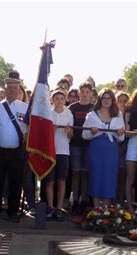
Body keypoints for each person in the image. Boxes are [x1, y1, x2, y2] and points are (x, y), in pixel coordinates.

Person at [0, 75, 28, 223]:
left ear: (19, 89)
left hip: (17, 151)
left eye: (15, 88)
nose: (12, 90)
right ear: (5, 89)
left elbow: (29, 130)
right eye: (9, 88)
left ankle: (12, 211)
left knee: (16, 182)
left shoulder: (25, 107)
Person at [82, 89, 125, 208]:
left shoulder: (118, 115)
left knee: (109, 177)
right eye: (104, 98)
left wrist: (120, 133)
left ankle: (106, 209)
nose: (106, 101)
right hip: (96, 149)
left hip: (111, 150)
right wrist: (92, 132)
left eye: (109, 98)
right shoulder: (92, 115)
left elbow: (121, 138)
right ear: (100, 100)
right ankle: (96, 208)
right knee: (96, 175)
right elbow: (84, 135)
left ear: (112, 100)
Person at [45, 90, 73, 220]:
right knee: (50, 180)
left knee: (61, 181)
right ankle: (50, 207)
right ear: (52, 100)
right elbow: (43, 133)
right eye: (57, 98)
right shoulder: (48, 113)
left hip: (64, 151)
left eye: (62, 98)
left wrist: (68, 132)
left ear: (65, 100)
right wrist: (51, 130)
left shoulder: (69, 114)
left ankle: (59, 208)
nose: (60, 101)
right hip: (50, 151)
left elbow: (71, 135)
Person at [68, 81, 94, 214]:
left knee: (85, 173)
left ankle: (84, 200)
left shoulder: (94, 108)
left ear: (91, 94)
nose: (84, 94)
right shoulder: (72, 108)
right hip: (75, 144)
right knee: (76, 173)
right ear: (79, 93)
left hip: (89, 145)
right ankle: (75, 200)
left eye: (87, 92)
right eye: (82, 92)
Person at [116, 91, 130, 204]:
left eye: (125, 101)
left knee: (124, 177)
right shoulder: (114, 114)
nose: (122, 103)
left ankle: (121, 201)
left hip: (127, 147)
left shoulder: (131, 113)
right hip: (115, 146)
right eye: (120, 101)